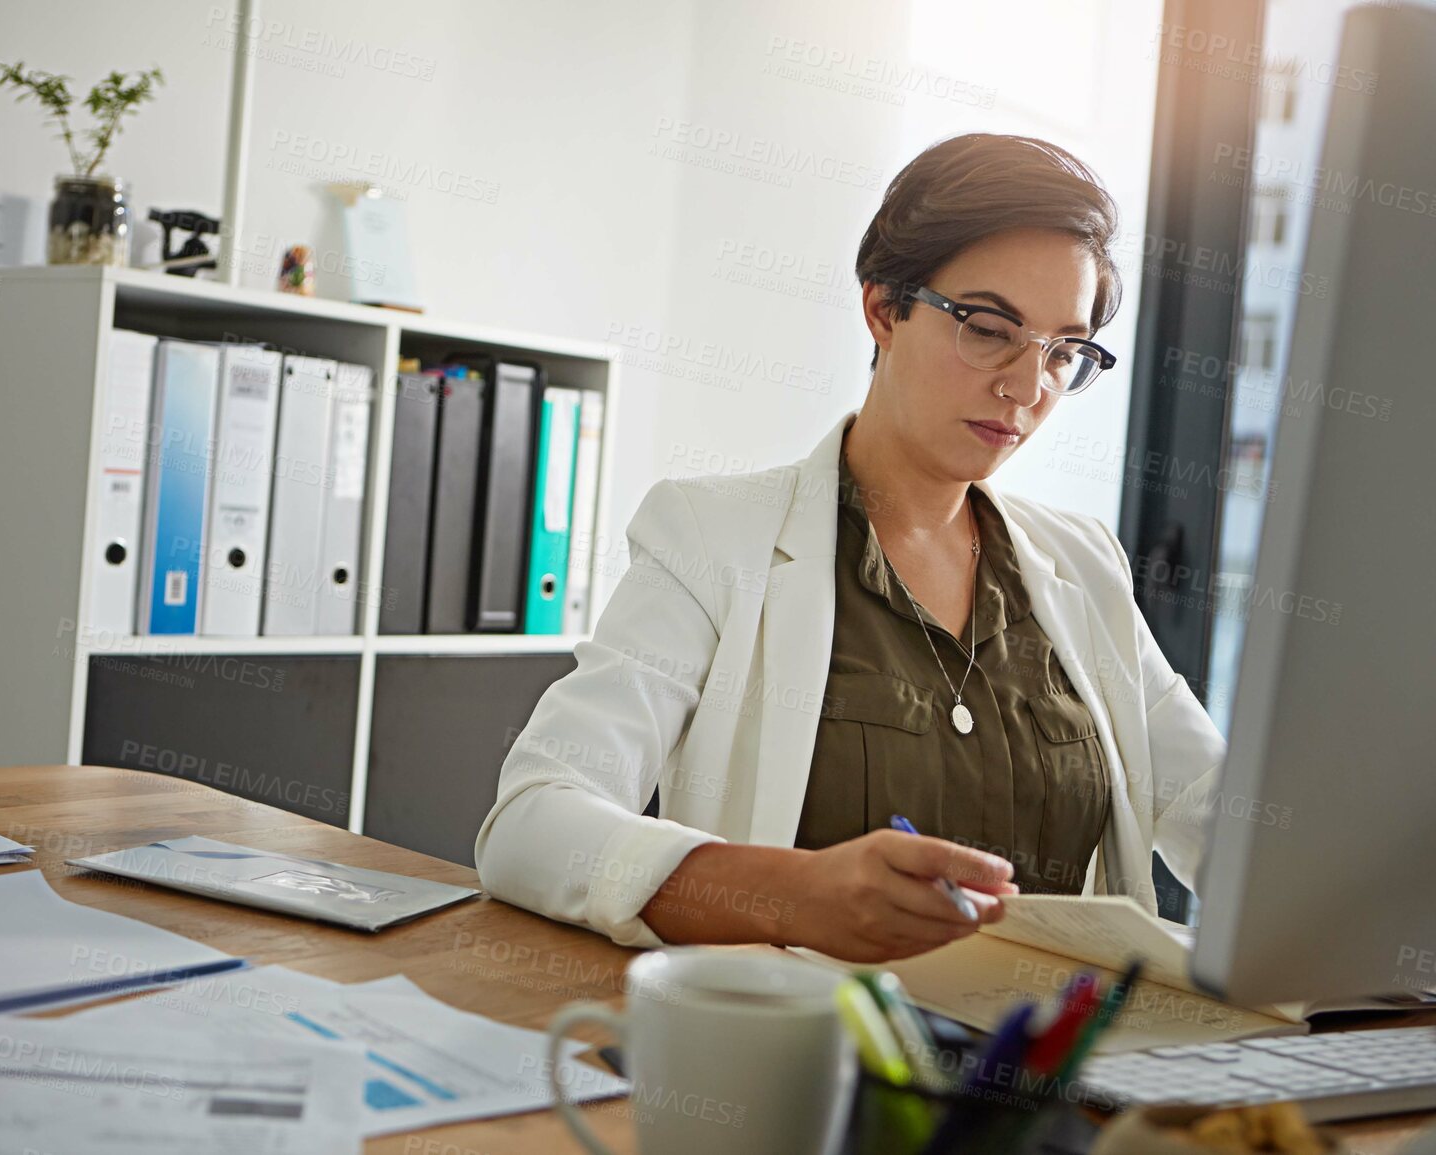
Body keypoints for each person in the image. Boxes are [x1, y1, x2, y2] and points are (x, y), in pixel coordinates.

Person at [475, 133, 1225, 964]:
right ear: (882, 308)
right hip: (808, 1062)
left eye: (1063, 352)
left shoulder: (1084, 565)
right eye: (987, 328)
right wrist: (792, 896)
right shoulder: (713, 536)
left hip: (1042, 1073)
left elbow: (1219, 814)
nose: (1026, 385)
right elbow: (534, 821)